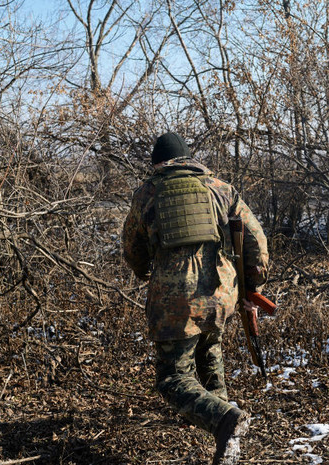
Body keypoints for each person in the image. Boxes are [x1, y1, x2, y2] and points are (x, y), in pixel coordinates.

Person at [122, 132, 269, 465]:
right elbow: (256, 242)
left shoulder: (147, 193)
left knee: (173, 378)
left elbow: (133, 251)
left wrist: (147, 271)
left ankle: (224, 421)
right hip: (220, 295)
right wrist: (253, 287)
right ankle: (230, 439)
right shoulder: (221, 188)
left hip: (175, 302)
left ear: (158, 163)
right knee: (210, 356)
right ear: (188, 158)